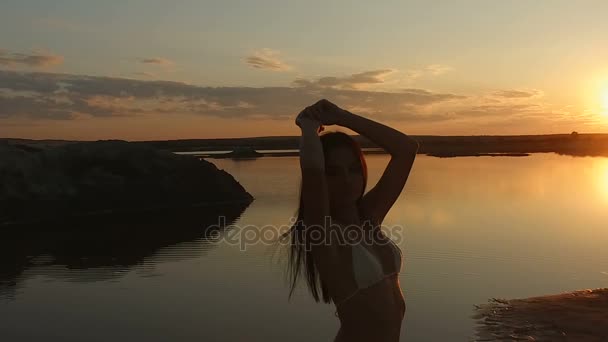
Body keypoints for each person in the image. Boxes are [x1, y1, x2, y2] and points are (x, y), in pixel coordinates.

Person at [280, 99, 419, 341]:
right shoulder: (323, 233)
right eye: (333, 172)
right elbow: (312, 171)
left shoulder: (369, 217)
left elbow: (406, 149)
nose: (346, 180)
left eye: (354, 169)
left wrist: (342, 116)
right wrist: (308, 126)